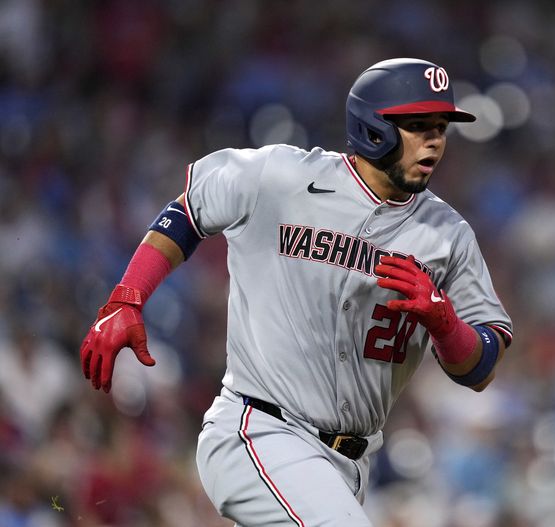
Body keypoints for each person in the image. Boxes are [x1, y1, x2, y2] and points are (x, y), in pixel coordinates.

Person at [79, 58, 513, 526]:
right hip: (260, 432)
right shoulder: (283, 177)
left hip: (349, 465)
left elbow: (482, 366)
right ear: (374, 128)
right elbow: (189, 210)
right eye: (418, 126)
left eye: (441, 128)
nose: (435, 141)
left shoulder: (448, 236)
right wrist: (127, 297)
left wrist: (446, 325)